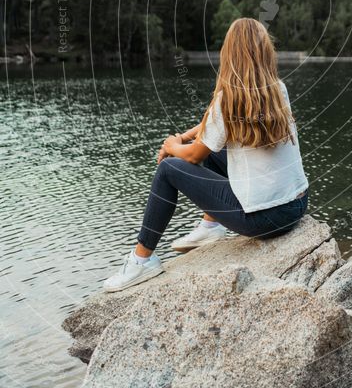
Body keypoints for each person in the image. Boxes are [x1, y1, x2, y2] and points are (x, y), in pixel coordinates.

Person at [103, 17, 309, 292]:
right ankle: (211, 227)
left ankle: (142, 260)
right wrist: (186, 136)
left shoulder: (229, 99)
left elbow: (190, 157)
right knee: (217, 151)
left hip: (264, 220)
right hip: (296, 207)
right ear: (265, 51)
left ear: (229, 53)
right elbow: (212, 128)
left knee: (169, 170)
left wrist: (171, 145)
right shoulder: (276, 89)